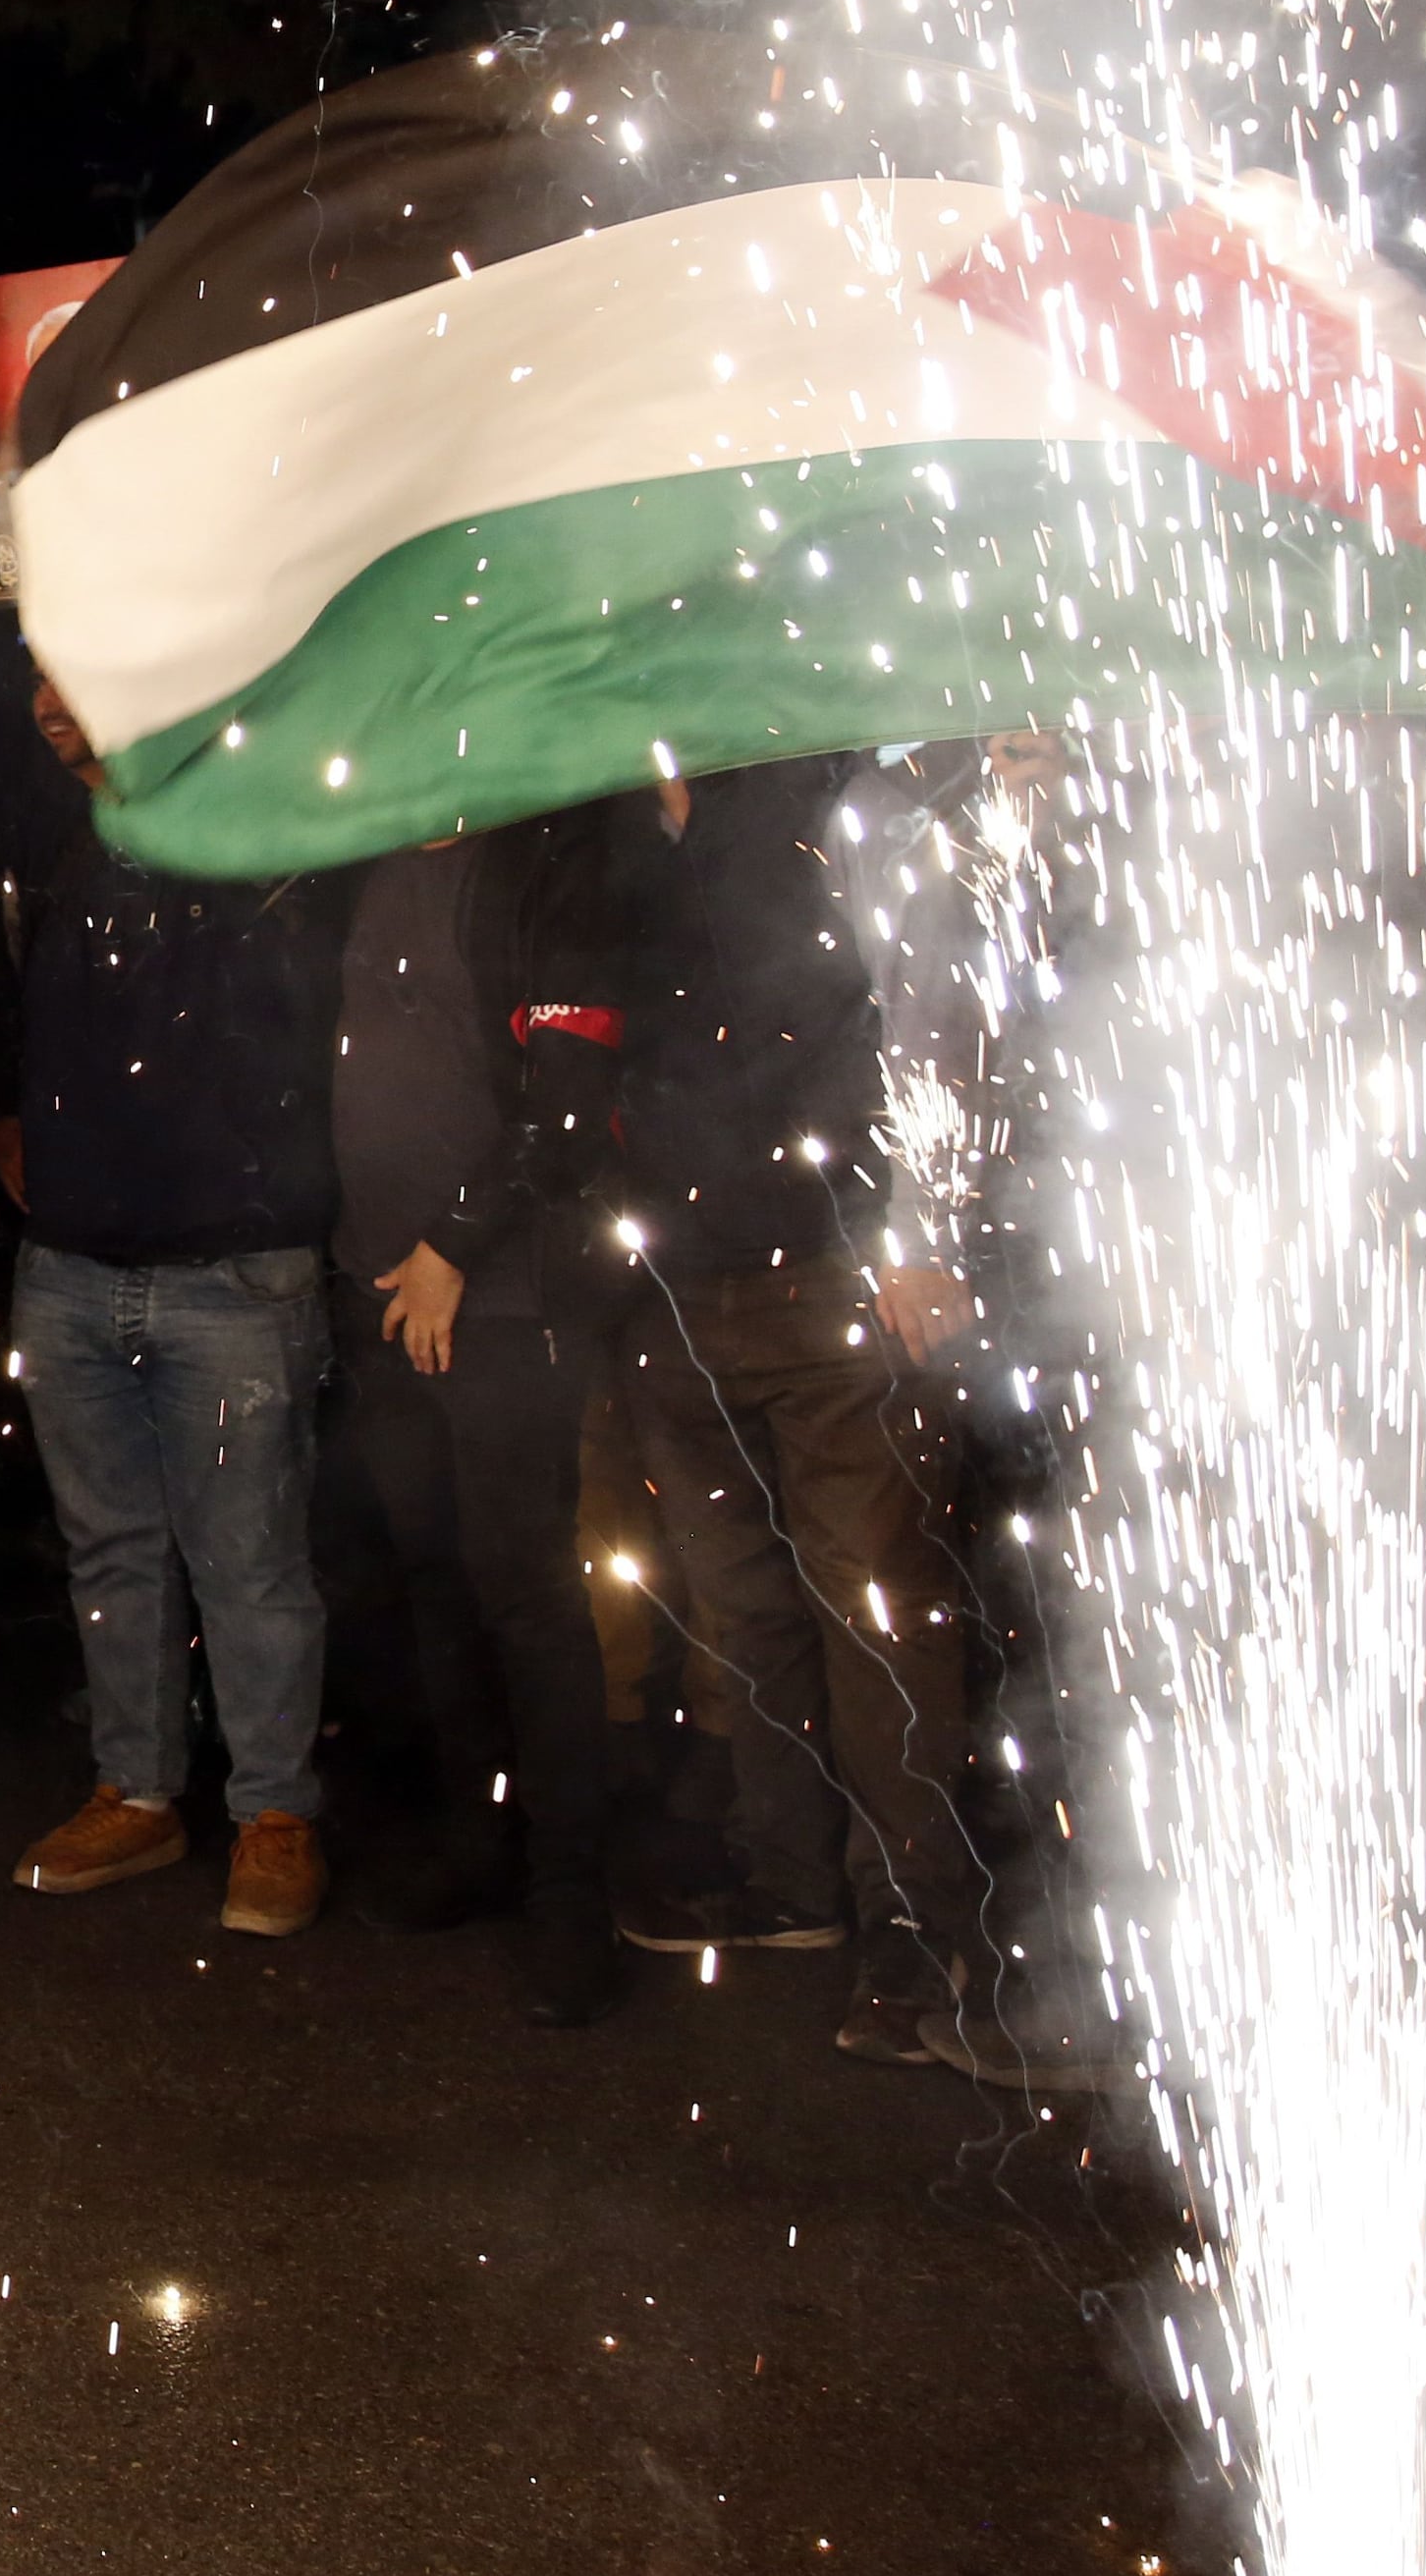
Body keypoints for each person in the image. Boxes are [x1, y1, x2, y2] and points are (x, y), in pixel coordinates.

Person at [593, 756, 1086, 2089]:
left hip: (836, 1277)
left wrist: (924, 1234)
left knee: (876, 1617)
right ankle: (792, 1882)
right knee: (741, 1604)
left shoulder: (839, 808)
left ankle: (921, 1933)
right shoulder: (624, 825)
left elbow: (934, 1014)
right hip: (681, 1289)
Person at [0, 463, 356, 1938]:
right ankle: (141, 1791)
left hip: (237, 1269)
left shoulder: (255, 824)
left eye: (84, 677)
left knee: (251, 1562)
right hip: (76, 1264)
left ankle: (277, 1812)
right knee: (115, 1552)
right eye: (45, 679)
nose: (54, 704)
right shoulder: (61, 838)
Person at [319, 816, 628, 2025]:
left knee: (525, 1589)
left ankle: (571, 1895)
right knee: (435, 1578)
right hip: (379, 1290)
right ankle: (479, 1842)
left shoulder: (554, 863)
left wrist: (454, 1243)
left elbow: (566, 1098)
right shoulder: (369, 855)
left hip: (501, 1297)